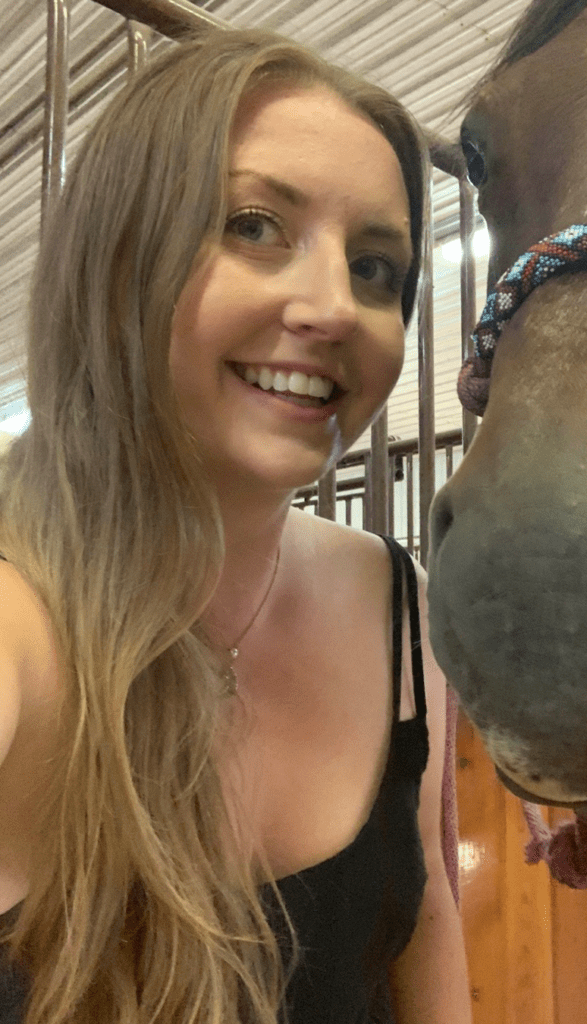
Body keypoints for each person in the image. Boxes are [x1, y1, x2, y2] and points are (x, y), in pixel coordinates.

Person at [0, 28, 472, 1024]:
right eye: (256, 225)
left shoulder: (397, 607)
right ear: (120, 258)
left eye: (379, 268)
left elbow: (425, 933)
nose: (334, 306)